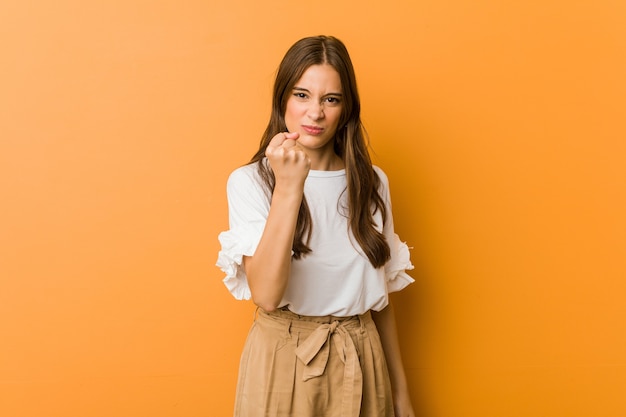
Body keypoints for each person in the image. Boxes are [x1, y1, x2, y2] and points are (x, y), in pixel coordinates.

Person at [217, 35, 415, 417]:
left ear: (346, 108)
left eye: (331, 99)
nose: (315, 113)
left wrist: (402, 396)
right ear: (283, 101)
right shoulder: (250, 182)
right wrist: (289, 186)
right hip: (282, 359)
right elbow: (267, 295)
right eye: (302, 95)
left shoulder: (372, 182)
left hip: (362, 354)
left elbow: (382, 298)